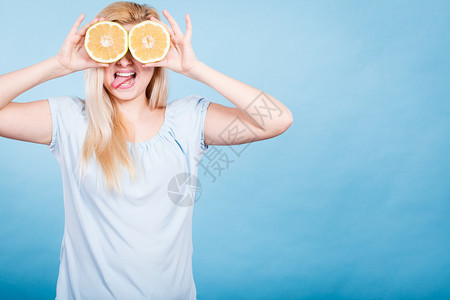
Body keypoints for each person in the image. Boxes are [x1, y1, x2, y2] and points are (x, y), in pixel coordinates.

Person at [0, 1, 293, 299]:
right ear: (97, 55)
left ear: (156, 58)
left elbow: (277, 118)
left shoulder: (188, 120)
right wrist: (57, 65)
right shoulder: (71, 120)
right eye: (114, 49)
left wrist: (195, 69)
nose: (125, 62)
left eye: (137, 50)